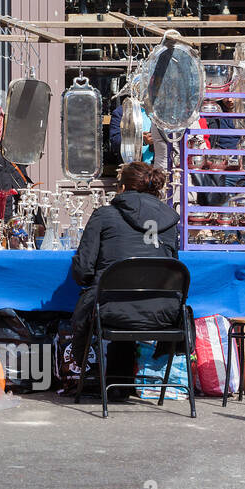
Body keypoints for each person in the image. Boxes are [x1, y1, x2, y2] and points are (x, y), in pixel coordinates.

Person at [69, 162, 181, 394]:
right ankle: (120, 385)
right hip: (164, 312)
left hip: (113, 309)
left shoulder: (105, 215)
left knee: (112, 295)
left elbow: (83, 270)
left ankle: (98, 378)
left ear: (121, 188)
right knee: (127, 294)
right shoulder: (170, 222)